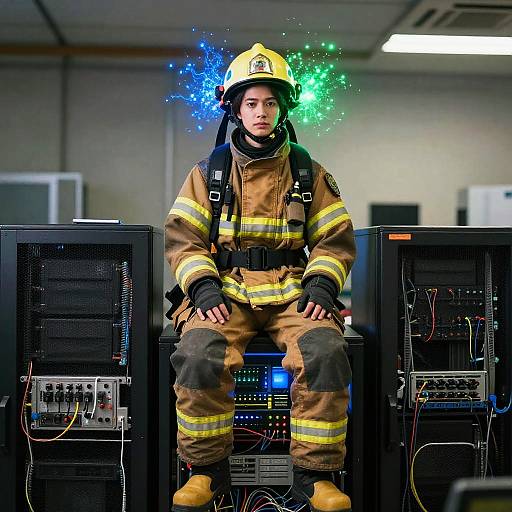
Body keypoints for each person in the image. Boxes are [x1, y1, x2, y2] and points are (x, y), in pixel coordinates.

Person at [165, 42, 356, 512]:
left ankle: (315, 476)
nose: (261, 112)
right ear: (234, 108)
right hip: (224, 293)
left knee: (326, 350)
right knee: (197, 353)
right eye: (251, 102)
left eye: (271, 102)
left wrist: (323, 284)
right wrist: (203, 286)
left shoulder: (309, 172)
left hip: (293, 291)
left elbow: (334, 240)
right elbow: (183, 240)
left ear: (283, 107)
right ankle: (207, 473)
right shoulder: (207, 172)